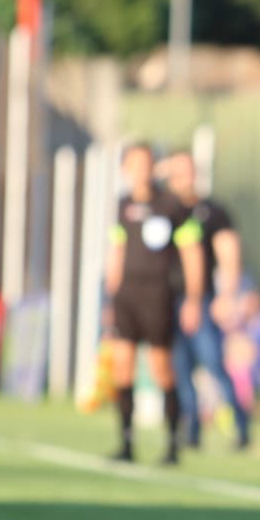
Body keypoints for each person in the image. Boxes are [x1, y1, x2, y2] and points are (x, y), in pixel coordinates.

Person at [104, 143, 205, 465]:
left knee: (161, 367)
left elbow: (192, 253)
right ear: (124, 170)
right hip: (127, 295)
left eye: (145, 164)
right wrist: (111, 295)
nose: (140, 171)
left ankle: (173, 442)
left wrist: (192, 298)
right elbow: (117, 251)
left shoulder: (171, 205)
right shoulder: (122, 205)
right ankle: (126, 442)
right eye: (133, 164)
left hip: (158, 295)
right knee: (122, 365)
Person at [162, 151, 252, 449]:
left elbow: (229, 254)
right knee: (180, 367)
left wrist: (227, 295)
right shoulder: (163, 210)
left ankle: (240, 425)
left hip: (199, 300)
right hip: (165, 300)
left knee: (212, 363)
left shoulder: (211, 212)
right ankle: (192, 431)